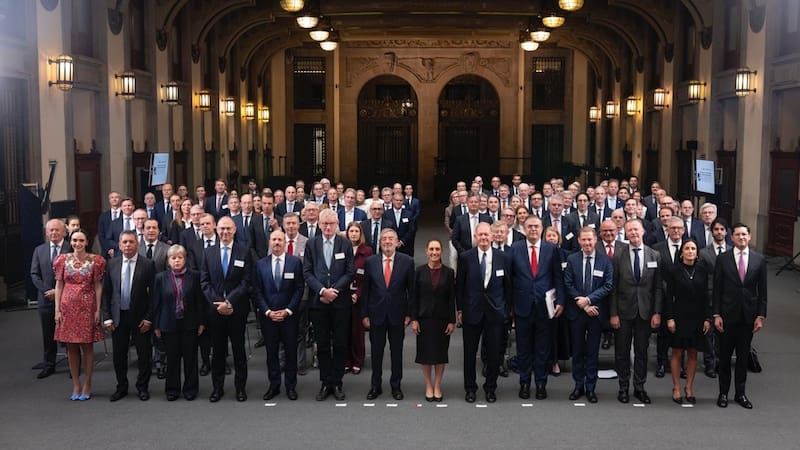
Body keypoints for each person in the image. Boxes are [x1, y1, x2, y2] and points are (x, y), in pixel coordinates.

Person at [509, 215, 565, 400]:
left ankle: (541, 383)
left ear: (542, 229)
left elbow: (558, 277)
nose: (533, 229)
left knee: (542, 349)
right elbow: (510, 279)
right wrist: (510, 307)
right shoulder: (515, 249)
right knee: (523, 348)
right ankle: (524, 383)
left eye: (536, 227)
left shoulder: (551, 249)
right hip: (522, 306)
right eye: (530, 226)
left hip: (545, 307)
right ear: (524, 229)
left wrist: (561, 302)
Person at [713, 223, 767, 409]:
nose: (741, 237)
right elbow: (717, 289)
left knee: (743, 358)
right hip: (727, 315)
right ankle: (723, 393)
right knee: (725, 357)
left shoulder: (759, 260)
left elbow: (763, 291)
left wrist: (761, 315)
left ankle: (740, 394)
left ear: (749, 237)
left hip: (748, 316)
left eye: (744, 234)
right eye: (737, 235)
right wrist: (716, 314)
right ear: (732, 238)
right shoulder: (723, 258)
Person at [609, 219, 663, 404]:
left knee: (642, 350)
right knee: (622, 352)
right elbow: (613, 288)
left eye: (636, 230)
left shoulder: (654, 255)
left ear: (643, 231)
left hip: (646, 312)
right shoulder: (618, 255)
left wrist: (657, 312)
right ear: (625, 234)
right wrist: (613, 313)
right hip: (623, 312)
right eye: (629, 231)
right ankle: (623, 387)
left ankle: (639, 387)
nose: (633, 233)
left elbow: (657, 288)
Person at [303, 209, 355, 401]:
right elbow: (307, 272)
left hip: (340, 302)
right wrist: (322, 291)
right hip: (319, 303)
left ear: (337, 225)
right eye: (324, 223)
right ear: (318, 224)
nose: (327, 227)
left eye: (331, 223)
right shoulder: (311, 244)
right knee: (322, 344)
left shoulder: (345, 243)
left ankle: (338, 381)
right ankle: (326, 381)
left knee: (340, 344)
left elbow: (350, 272)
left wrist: (334, 291)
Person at [456, 223, 510, 403]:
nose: (484, 238)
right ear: (475, 237)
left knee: (494, 354)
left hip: (495, 313)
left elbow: (507, 287)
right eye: (481, 235)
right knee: (469, 354)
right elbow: (460, 286)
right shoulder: (465, 257)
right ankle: (470, 388)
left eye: (487, 235)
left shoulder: (503, 258)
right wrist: (460, 309)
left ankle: (490, 388)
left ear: (492, 236)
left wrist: (507, 311)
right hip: (472, 312)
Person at [200, 216, 251, 402]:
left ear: (235, 229)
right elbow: (204, 282)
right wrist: (218, 303)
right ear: (216, 229)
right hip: (215, 311)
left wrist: (229, 302)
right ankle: (217, 388)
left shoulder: (244, 251)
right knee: (218, 351)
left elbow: (246, 282)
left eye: (228, 228)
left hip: (237, 310)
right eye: (221, 229)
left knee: (239, 350)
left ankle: (240, 388)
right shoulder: (208, 252)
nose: (225, 232)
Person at [360, 228, 415, 401]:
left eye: (391, 239)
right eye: (384, 239)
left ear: (397, 242)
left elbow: (411, 291)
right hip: (376, 314)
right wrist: (364, 315)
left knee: (396, 353)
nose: (387, 242)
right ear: (380, 242)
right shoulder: (371, 262)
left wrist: (410, 314)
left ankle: (396, 386)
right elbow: (366, 291)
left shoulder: (407, 261)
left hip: (398, 315)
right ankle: (375, 386)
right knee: (376, 352)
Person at [102, 231, 156, 402]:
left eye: (131, 242)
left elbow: (154, 295)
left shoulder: (147, 264)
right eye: (124, 242)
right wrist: (107, 317)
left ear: (137, 244)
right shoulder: (112, 264)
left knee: (144, 354)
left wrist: (149, 318)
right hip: (118, 317)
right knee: (119, 355)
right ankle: (122, 387)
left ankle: (142, 387)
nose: (127, 245)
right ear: (119, 245)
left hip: (140, 318)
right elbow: (106, 293)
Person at [53, 229, 106, 401]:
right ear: (71, 241)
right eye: (75, 240)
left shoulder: (96, 261)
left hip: (88, 307)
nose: (78, 243)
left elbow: (98, 286)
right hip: (67, 307)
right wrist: (57, 310)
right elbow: (59, 285)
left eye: (81, 240)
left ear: (87, 242)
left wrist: (98, 309)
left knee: (88, 348)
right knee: (71, 348)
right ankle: (76, 383)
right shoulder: (62, 260)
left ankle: (87, 383)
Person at [563, 227, 614, 403]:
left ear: (595, 241)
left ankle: (591, 388)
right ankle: (578, 385)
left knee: (592, 353)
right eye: (583, 240)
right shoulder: (572, 259)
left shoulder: (605, 260)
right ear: (578, 241)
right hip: (577, 313)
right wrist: (583, 305)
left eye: (589, 240)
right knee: (577, 352)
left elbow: (608, 285)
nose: (587, 243)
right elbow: (568, 284)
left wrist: (589, 300)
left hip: (596, 314)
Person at [254, 229, 305, 401]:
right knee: (271, 353)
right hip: (268, 317)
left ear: (285, 242)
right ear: (269, 242)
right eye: (274, 239)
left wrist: (288, 310)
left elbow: (299, 289)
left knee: (290, 352)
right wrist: (268, 312)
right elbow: (257, 291)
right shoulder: (260, 264)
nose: (277, 242)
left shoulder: (295, 262)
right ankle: (274, 385)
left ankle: (291, 386)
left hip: (289, 316)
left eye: (280, 240)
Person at [152, 245, 206, 401]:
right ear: (168, 261)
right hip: (168, 323)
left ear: (185, 259)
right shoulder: (160, 278)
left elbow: (199, 302)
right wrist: (156, 325)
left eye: (179, 257)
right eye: (173, 258)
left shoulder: (195, 276)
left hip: (190, 322)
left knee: (190, 358)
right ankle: (172, 389)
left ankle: (190, 388)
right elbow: (156, 302)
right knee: (172, 358)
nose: (176, 261)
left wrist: (201, 322)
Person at [664, 239, 711, 405]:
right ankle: (676, 387)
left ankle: (689, 387)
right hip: (679, 315)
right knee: (677, 352)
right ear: (682, 252)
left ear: (697, 252)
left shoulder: (703, 270)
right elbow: (669, 296)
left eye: (693, 249)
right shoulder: (674, 270)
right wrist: (669, 317)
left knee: (693, 353)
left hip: (697, 316)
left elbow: (706, 296)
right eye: (687, 248)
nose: (690, 251)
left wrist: (707, 318)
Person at [410, 239, 455, 402]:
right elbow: (414, 297)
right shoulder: (419, 271)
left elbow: (452, 299)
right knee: (426, 355)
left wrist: (452, 321)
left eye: (437, 249)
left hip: (442, 320)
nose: (434, 252)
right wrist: (414, 319)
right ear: (426, 252)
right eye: (431, 249)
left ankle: (437, 385)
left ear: (442, 252)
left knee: (440, 354)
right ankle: (428, 385)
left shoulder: (449, 273)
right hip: (424, 319)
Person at [30, 219, 71, 379]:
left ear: (63, 232)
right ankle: (49, 365)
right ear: (46, 233)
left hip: (68, 298)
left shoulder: (71, 248)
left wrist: (59, 291)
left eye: (56, 230)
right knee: (48, 334)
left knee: (69, 333)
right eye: (51, 230)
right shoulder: (39, 250)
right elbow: (34, 274)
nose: (54, 233)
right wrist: (49, 291)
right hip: (46, 299)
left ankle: (73, 364)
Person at [346, 222, 373, 375]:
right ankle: (347, 360)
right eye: (351, 231)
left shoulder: (367, 251)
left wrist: (357, 294)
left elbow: (369, 277)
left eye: (356, 231)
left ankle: (358, 360)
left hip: (360, 297)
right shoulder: (342, 248)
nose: (354, 234)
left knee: (358, 331)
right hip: (344, 296)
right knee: (344, 330)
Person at [543, 226, 570, 377]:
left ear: (559, 238)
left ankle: (555, 362)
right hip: (544, 298)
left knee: (558, 332)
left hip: (561, 298)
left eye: (554, 236)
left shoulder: (567, 255)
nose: (552, 238)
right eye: (548, 236)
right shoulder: (542, 254)